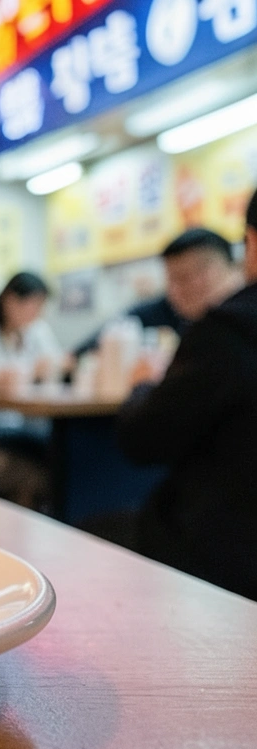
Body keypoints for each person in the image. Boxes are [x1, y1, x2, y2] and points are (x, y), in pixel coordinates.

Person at [116, 193, 257, 600]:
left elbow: (142, 441)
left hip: (222, 559)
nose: (183, 289)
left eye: (196, 274)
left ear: (246, 248)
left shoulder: (225, 331)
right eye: (174, 281)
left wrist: (142, 387)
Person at [76, 228, 243, 354]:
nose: (175, 291)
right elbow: (118, 326)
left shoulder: (241, 320)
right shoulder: (167, 310)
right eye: (171, 280)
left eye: (184, 278)